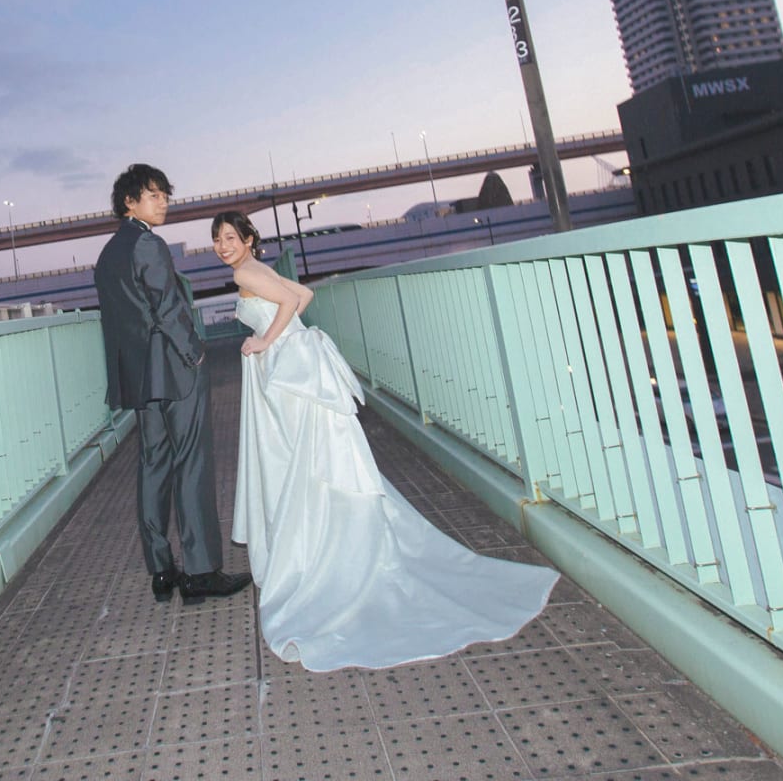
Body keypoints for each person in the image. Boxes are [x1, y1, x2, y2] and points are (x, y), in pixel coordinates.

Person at [211, 210, 557, 670]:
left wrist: (263, 341)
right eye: (217, 240)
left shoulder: (245, 272)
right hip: (301, 364)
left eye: (230, 237)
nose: (223, 246)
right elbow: (304, 294)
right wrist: (279, 335)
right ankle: (333, 545)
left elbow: (290, 303)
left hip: (291, 370)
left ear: (248, 239)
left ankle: (319, 553)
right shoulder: (258, 268)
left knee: (302, 463)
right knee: (317, 461)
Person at [95, 165, 251, 605]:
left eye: (165, 195)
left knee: (153, 466)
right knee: (192, 463)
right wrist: (194, 352)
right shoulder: (148, 244)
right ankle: (201, 571)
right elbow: (166, 307)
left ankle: (162, 570)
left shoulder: (108, 254)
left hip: (141, 379)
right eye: (153, 195)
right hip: (175, 371)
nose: (163, 202)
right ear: (129, 202)